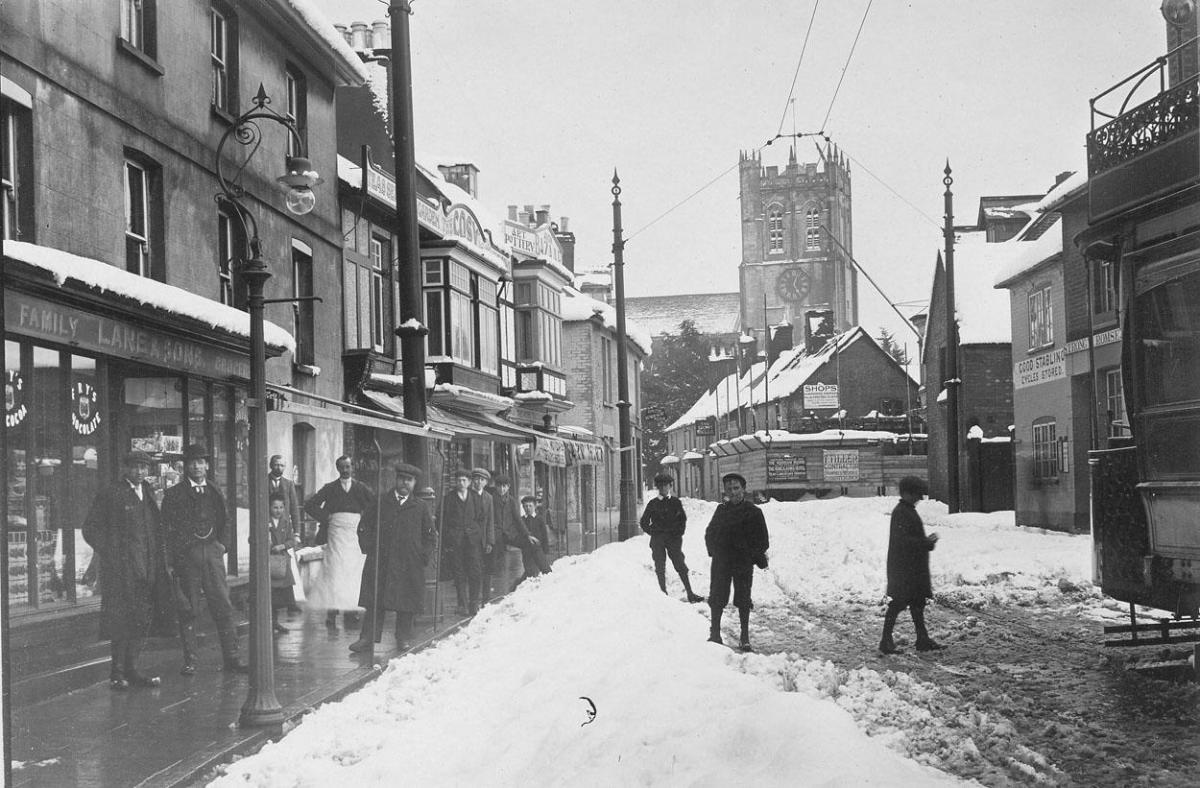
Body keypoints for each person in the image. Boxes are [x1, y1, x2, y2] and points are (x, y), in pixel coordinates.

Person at [82, 450, 171, 689]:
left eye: (144, 467)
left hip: (147, 569)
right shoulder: (112, 494)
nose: (140, 472)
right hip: (122, 572)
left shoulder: (148, 493)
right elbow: (90, 528)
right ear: (126, 468)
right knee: (120, 621)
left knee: (140, 621)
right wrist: (112, 554)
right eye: (135, 467)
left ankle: (132, 669)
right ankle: (117, 672)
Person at [160, 443, 247, 675]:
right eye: (192, 462)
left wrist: (222, 545)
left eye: (201, 462)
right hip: (188, 558)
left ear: (207, 465)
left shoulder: (215, 490)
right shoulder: (174, 494)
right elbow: (167, 529)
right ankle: (190, 661)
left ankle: (232, 657)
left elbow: (226, 520)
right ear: (185, 466)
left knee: (223, 605)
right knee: (189, 609)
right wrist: (173, 559)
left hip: (213, 554)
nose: (197, 467)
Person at [350, 462, 436, 653]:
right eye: (402, 478)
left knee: (405, 603)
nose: (405, 483)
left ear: (414, 483)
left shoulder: (420, 507)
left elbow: (430, 534)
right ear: (396, 479)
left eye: (410, 480)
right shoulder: (380, 502)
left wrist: (422, 556)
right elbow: (364, 526)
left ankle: (403, 638)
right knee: (374, 600)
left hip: (408, 563)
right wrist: (370, 548)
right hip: (381, 561)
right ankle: (367, 638)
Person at [303, 455, 374, 627]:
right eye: (342, 467)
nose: (345, 470)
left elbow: (374, 506)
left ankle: (352, 610)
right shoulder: (330, 488)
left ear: (352, 467)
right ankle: (332, 613)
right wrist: (326, 517)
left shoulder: (361, 488)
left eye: (348, 466)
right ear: (337, 468)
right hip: (335, 533)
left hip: (354, 534)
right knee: (334, 570)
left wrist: (364, 522)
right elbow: (310, 505)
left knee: (352, 571)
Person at [705, 471, 769, 652]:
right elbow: (709, 533)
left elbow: (763, 540)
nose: (733, 492)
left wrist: (750, 555)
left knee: (743, 598)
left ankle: (744, 637)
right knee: (717, 596)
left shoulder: (754, 512)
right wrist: (715, 552)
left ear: (743, 489)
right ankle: (715, 633)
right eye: (729, 489)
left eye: (736, 488)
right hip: (722, 562)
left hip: (743, 563)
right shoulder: (721, 510)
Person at [880, 476, 943, 654]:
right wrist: (925, 542)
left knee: (917, 603)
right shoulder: (902, 512)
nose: (920, 498)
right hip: (904, 569)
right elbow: (904, 541)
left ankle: (922, 639)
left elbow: (908, 540)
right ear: (907, 493)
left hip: (910, 568)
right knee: (898, 603)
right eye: (917, 494)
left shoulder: (906, 510)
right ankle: (885, 641)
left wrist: (924, 542)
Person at [640, 472, 704, 603]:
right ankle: (663, 594)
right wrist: (654, 532)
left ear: (670, 486)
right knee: (660, 566)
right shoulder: (653, 503)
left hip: (673, 540)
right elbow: (643, 522)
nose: (663, 488)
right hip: (658, 541)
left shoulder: (675, 502)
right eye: (661, 486)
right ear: (658, 487)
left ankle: (690, 593)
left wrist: (677, 534)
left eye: (666, 485)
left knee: (680, 565)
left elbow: (682, 520)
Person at [442, 469, 489, 615]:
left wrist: (477, 533)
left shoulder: (475, 497)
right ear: (455, 482)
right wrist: (448, 537)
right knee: (459, 573)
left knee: (475, 571)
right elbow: (442, 519)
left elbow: (482, 517)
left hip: (472, 541)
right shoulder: (448, 499)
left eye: (464, 480)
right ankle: (462, 604)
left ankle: (473, 603)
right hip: (456, 542)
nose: (461, 483)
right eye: (459, 480)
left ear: (469, 482)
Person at [489, 475, 530, 595]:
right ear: (495, 487)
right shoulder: (491, 499)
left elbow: (518, 519)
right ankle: (497, 588)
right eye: (499, 486)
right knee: (497, 559)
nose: (502, 489)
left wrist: (527, 534)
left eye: (504, 486)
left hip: (510, 533)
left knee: (529, 544)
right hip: (496, 534)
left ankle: (529, 573)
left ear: (508, 487)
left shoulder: (511, 500)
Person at [267, 492, 300, 633]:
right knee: (271, 594)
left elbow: (292, 540)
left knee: (280, 595)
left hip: (282, 561)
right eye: (275, 507)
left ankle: (276, 622)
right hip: (269, 560)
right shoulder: (265, 522)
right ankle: (270, 622)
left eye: (281, 507)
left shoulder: (286, 523)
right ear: (269, 507)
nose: (278, 510)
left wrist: (282, 546)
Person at [470, 468, 498, 601]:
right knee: (474, 571)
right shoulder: (468, 495)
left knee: (487, 569)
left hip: (485, 539)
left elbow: (490, 520)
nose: (478, 482)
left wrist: (490, 541)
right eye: (476, 479)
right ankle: (474, 601)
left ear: (486, 482)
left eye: (482, 480)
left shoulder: (489, 498)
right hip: (471, 540)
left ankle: (486, 599)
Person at [518, 495, 553, 583]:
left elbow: (544, 535)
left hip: (538, 549)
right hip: (527, 550)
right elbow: (519, 535)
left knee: (546, 570)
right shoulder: (521, 520)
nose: (528, 508)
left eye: (530, 506)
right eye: (526, 506)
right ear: (523, 507)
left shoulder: (539, 519)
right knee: (529, 572)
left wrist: (545, 550)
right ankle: (520, 587)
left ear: (534, 506)